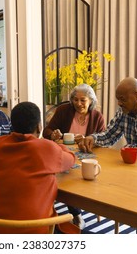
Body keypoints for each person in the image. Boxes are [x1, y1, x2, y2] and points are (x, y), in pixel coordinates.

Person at [0, 101, 78, 233]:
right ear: (39, 126)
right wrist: (58, 146)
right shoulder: (46, 148)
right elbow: (71, 159)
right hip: (36, 231)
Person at [43, 83, 106, 229]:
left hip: (89, 155)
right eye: (75, 100)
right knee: (68, 182)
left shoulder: (97, 116)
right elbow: (47, 131)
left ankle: (94, 206)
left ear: (91, 101)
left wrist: (88, 138)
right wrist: (53, 134)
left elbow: (103, 139)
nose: (78, 103)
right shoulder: (64, 110)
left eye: (83, 100)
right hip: (66, 155)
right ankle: (76, 214)